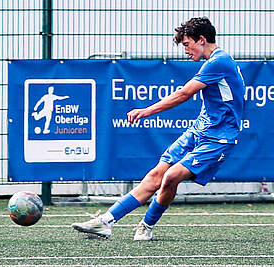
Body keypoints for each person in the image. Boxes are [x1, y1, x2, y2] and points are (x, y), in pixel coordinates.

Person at [71, 17, 245, 240]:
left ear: (201, 40)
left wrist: (146, 111)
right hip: (198, 131)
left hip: (219, 138)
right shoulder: (213, 62)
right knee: (155, 175)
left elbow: (184, 94)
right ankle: (105, 222)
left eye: (186, 44)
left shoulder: (219, 62)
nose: (185, 51)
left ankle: (146, 226)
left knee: (171, 176)